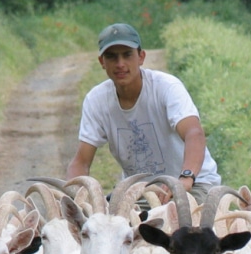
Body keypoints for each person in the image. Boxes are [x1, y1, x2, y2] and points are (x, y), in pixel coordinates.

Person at [66, 23, 221, 204]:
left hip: (194, 185)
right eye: (112, 57)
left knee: (179, 226)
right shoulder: (96, 100)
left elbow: (194, 133)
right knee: (107, 228)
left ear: (141, 57)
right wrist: (77, 196)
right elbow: (82, 161)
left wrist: (185, 178)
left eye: (127, 55)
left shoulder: (166, 87)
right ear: (102, 62)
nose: (120, 64)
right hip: (140, 192)